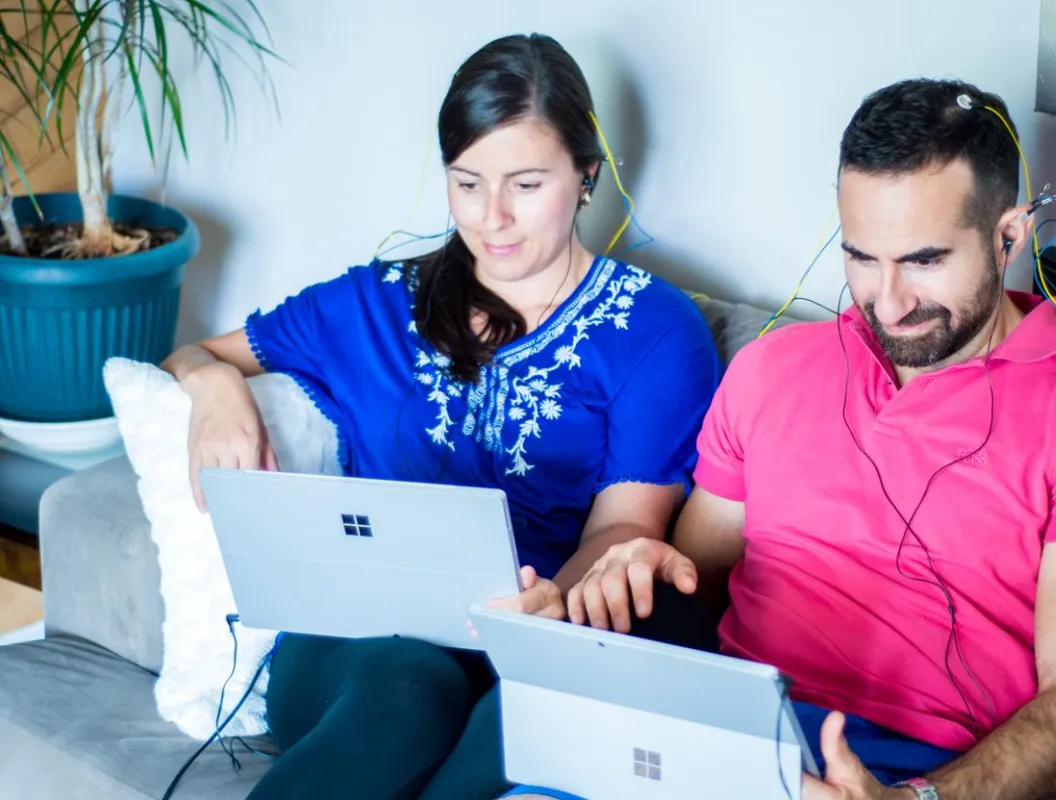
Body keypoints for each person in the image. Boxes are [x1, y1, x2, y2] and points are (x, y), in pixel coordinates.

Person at [507, 78, 1056, 800]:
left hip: (919, 769)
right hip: (721, 740)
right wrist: (632, 576)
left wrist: (920, 799)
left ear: (1009, 236)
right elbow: (695, 582)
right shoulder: (773, 369)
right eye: (862, 258)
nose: (888, 303)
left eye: (924, 261)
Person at [162, 32, 720, 800]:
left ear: (587, 175)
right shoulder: (374, 301)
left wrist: (555, 602)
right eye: (467, 183)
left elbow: (625, 529)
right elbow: (188, 355)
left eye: (525, 184)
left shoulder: (656, 330)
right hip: (356, 647)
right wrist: (212, 385)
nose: (492, 218)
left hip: (531, 637)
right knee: (410, 678)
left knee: (541, 702)